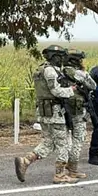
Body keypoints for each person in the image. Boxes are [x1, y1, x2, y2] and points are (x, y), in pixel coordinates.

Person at [14, 44, 79, 184]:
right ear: (54, 57)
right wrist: (71, 90)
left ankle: (25, 161)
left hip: (45, 112)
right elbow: (56, 91)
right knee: (63, 145)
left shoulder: (41, 69)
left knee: (48, 143)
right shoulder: (50, 71)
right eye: (61, 57)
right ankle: (60, 175)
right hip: (55, 113)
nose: (62, 60)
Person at [62, 48, 98, 179]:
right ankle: (73, 168)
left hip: (62, 109)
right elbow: (93, 86)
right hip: (78, 110)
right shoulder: (80, 74)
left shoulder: (58, 71)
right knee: (78, 138)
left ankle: (64, 166)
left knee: (66, 139)